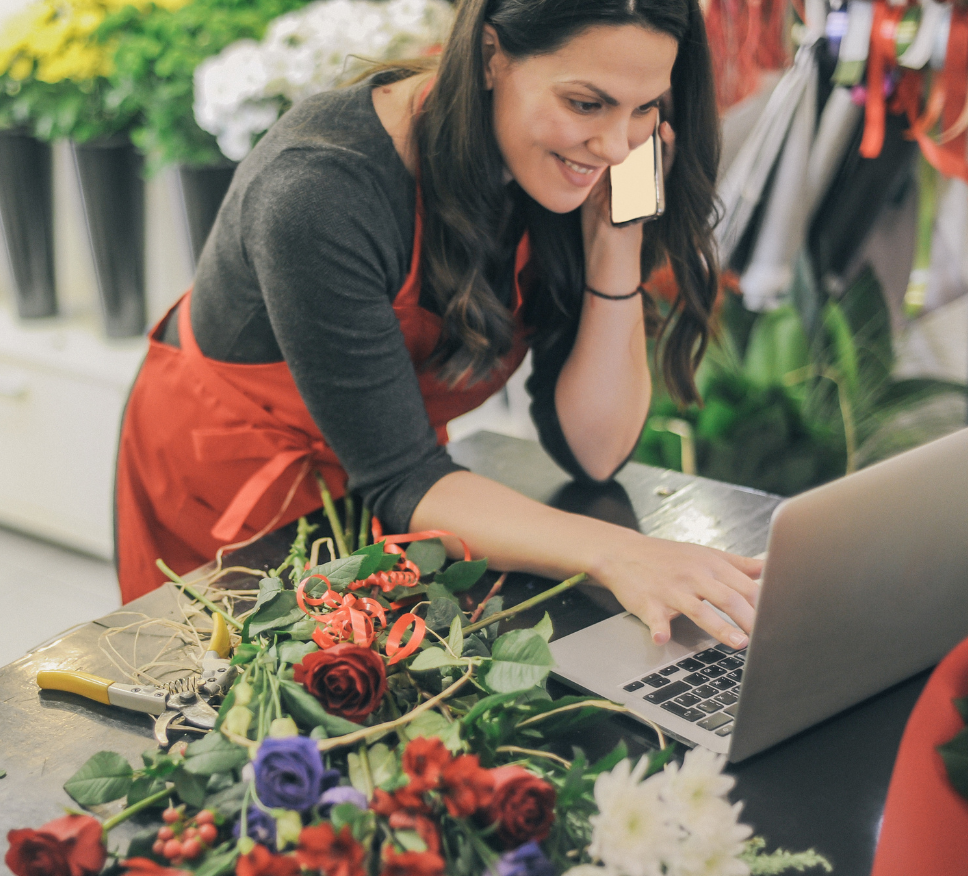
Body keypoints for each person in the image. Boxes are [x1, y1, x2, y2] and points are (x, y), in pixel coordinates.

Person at [115, 0, 763, 651]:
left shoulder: (566, 165)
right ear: (490, 56)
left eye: (646, 107)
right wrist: (622, 555)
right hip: (231, 491)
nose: (619, 145)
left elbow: (594, 451)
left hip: (397, 486)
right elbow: (402, 477)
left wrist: (617, 243)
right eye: (587, 103)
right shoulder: (320, 189)